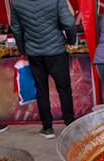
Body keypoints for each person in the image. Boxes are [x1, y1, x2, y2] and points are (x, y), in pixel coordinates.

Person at [10, 0, 76, 139]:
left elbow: (16, 29)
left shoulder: (16, 2)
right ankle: (70, 125)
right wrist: (71, 41)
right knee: (64, 89)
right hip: (56, 51)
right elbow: (69, 23)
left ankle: (47, 128)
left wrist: (23, 50)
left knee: (41, 90)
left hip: (34, 53)